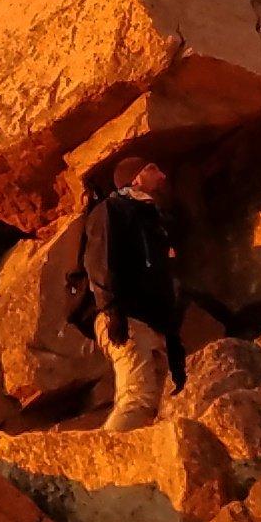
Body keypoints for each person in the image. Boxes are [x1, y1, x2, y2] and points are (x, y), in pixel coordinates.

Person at [84, 157, 181, 431]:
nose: (162, 175)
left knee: (152, 408)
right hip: (126, 319)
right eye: (153, 168)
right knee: (137, 399)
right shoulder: (111, 210)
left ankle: (132, 466)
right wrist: (112, 310)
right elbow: (99, 262)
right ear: (134, 179)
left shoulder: (151, 218)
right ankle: (103, 467)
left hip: (152, 325)